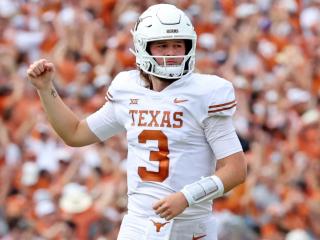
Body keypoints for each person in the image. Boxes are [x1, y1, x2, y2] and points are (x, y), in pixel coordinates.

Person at [27, 4, 247, 240]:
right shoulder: (128, 90)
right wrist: (46, 89)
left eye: (177, 45)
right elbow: (75, 134)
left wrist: (187, 196)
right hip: (138, 225)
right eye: (163, 45)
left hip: (190, 227)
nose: (172, 53)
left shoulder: (206, 93)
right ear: (144, 47)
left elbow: (236, 170)